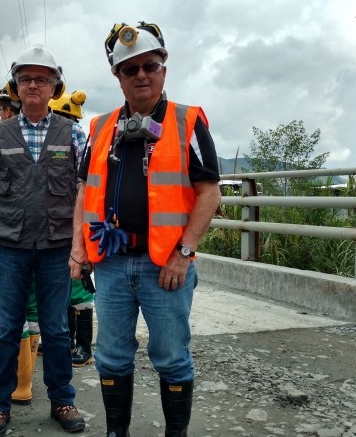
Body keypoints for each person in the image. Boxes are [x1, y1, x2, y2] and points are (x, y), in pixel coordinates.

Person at [70, 22, 221, 436]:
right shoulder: (100, 128)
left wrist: (184, 253)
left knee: (172, 356)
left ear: (163, 69)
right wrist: (77, 250)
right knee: (111, 356)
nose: (141, 75)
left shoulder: (187, 122)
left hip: (167, 267)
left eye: (149, 66)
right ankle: (116, 432)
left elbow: (209, 194)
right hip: (113, 263)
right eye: (129, 68)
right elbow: (84, 193)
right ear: (117, 76)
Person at [0, 46, 86, 436]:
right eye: (26, 79)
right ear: (16, 87)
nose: (33, 84)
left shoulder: (73, 133)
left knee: (55, 329)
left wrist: (83, 245)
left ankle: (62, 400)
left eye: (42, 78)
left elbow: (87, 191)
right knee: (6, 330)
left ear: (54, 87)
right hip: (10, 247)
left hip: (56, 248)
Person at [0, 86, 42, 404]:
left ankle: (20, 384)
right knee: (32, 308)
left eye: (4, 109)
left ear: (13, 111)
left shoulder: (4, 144)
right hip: (38, 240)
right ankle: (26, 382)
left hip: (7, 239)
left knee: (9, 310)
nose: (2, 116)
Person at [48, 90, 95, 367]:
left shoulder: (76, 142)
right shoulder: (70, 141)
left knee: (78, 288)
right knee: (67, 286)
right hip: (60, 224)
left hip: (74, 224)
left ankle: (83, 347)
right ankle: (68, 342)